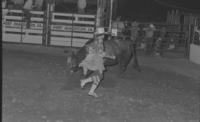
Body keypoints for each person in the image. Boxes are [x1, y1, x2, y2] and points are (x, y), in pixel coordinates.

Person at [78, 27, 115, 97]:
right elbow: (101, 54)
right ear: (99, 35)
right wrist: (110, 56)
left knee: (99, 76)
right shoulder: (99, 42)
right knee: (100, 76)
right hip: (96, 60)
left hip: (94, 59)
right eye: (102, 34)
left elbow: (91, 49)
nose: (104, 36)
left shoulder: (95, 41)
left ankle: (91, 91)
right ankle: (85, 82)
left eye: (104, 34)